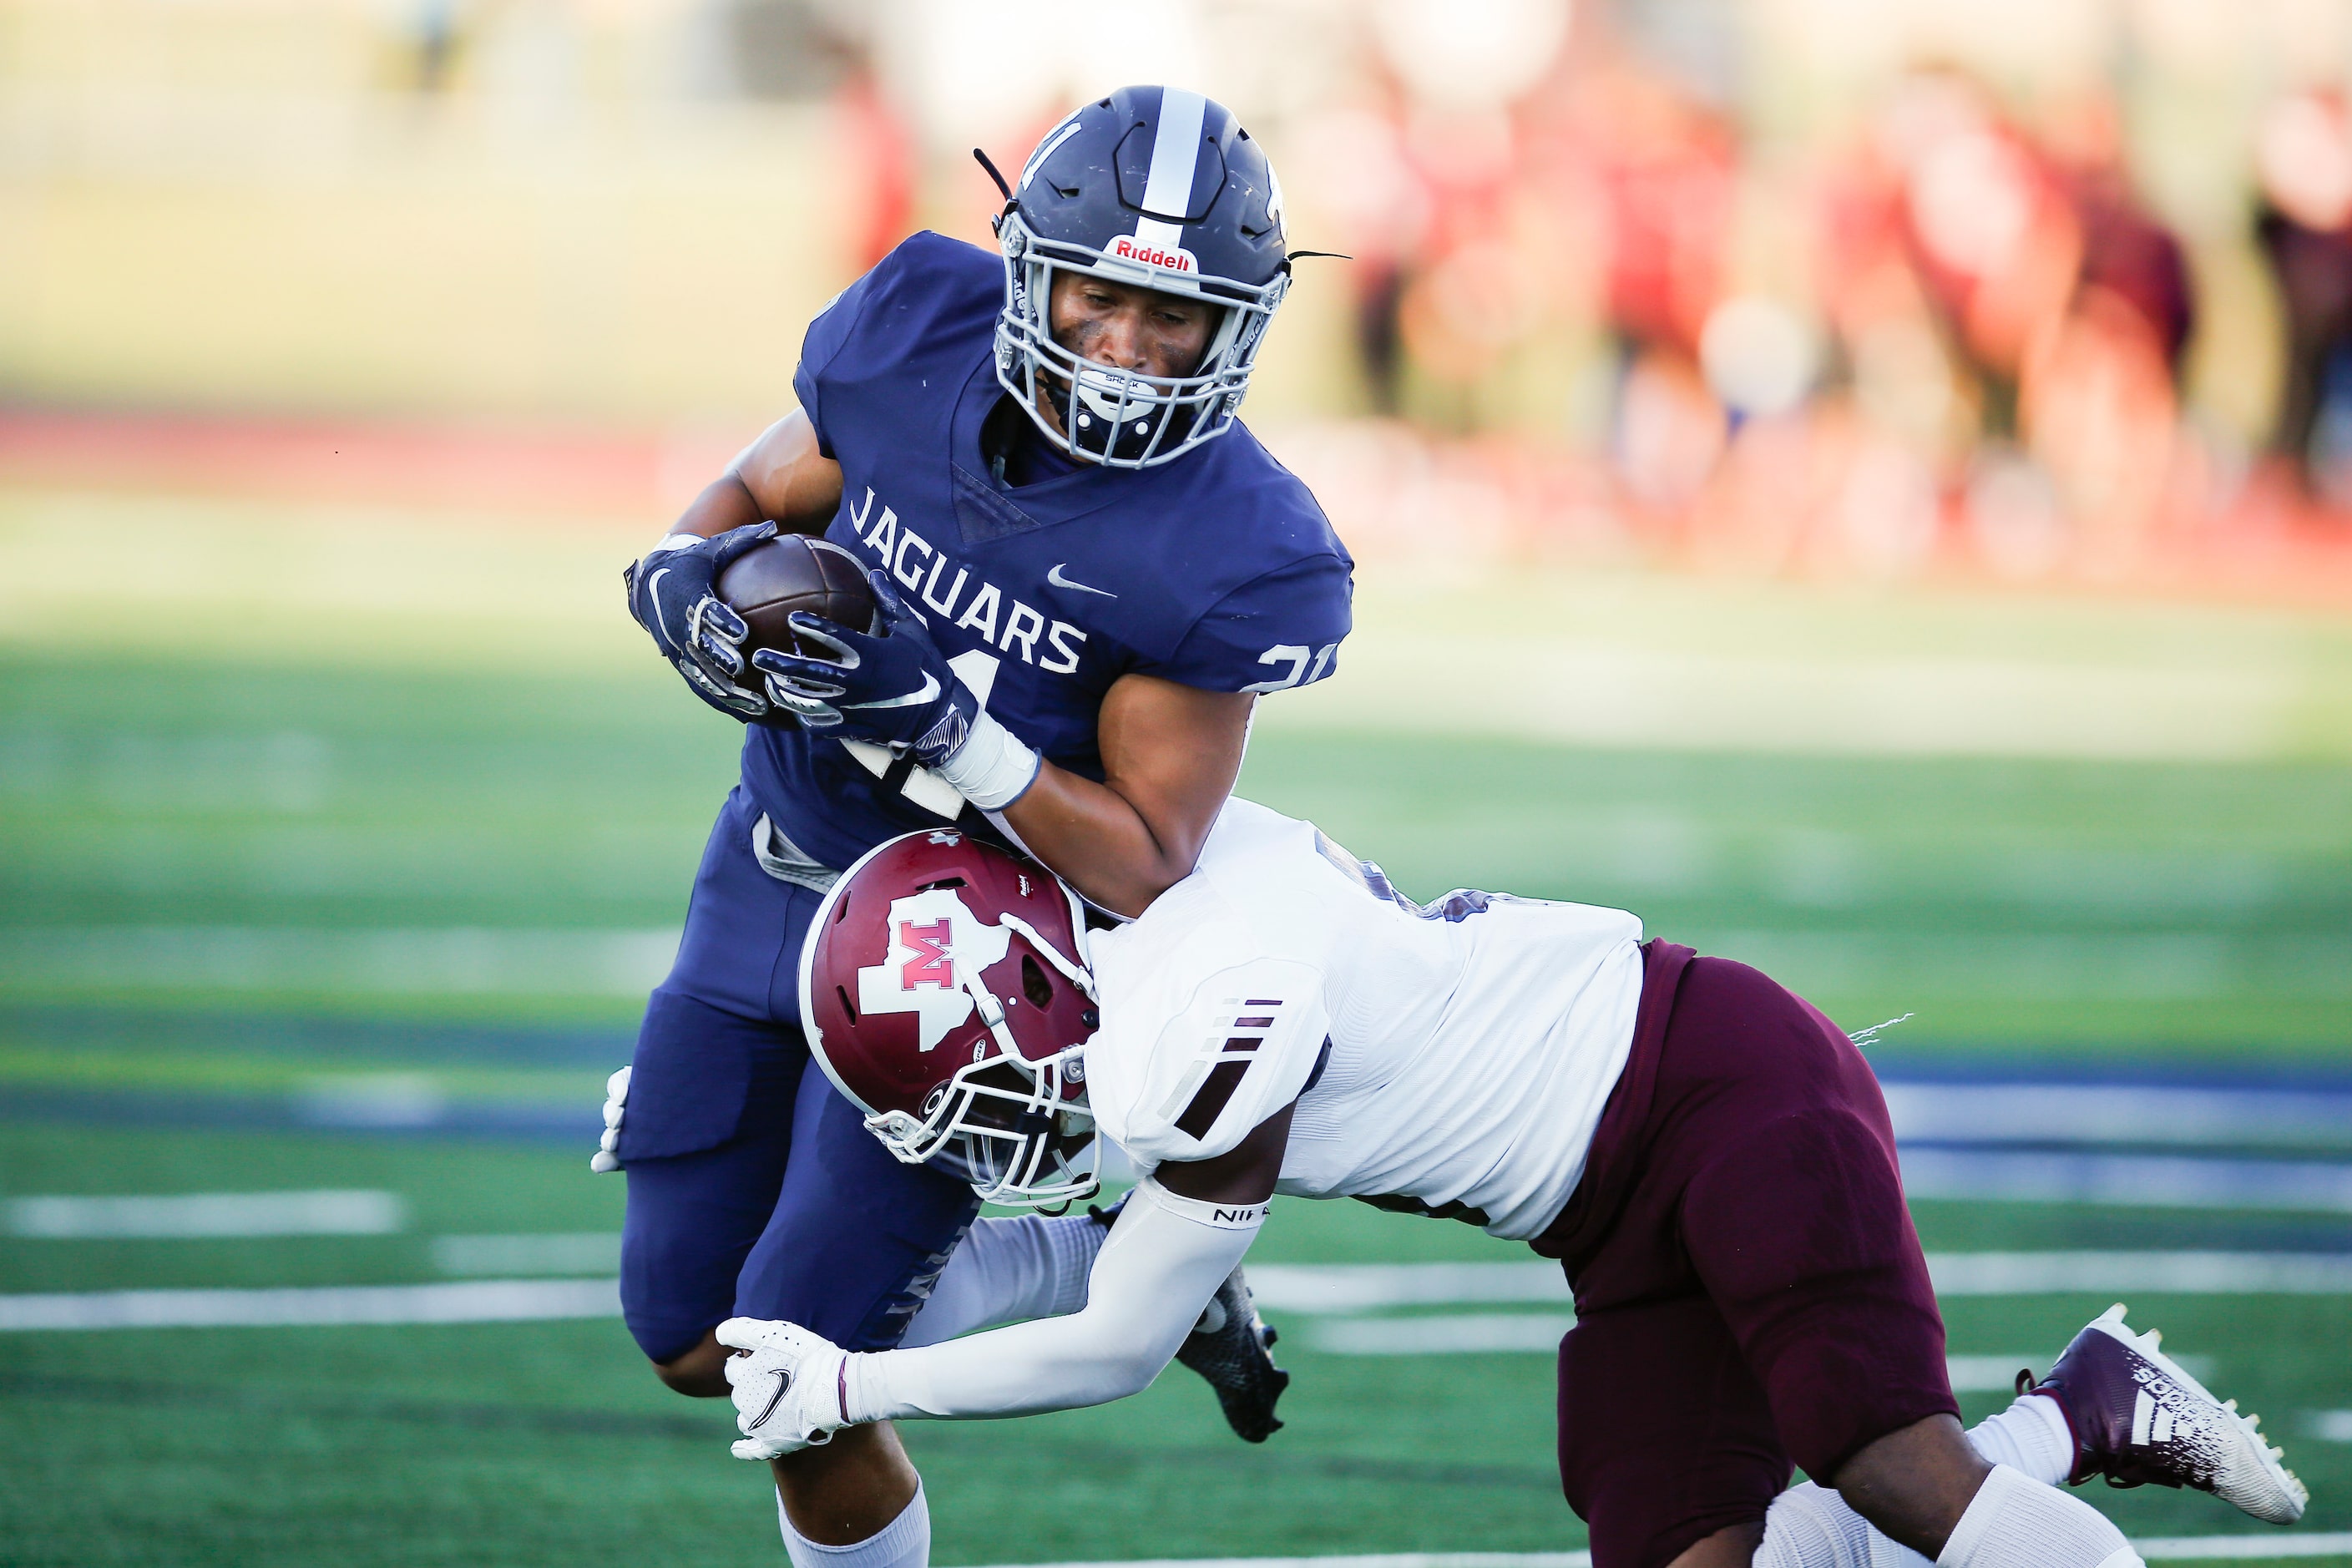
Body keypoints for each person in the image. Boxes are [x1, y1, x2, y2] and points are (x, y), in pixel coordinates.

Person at [717, 803, 2309, 1568]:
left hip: (1727, 1093)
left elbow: (1115, 1340)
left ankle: (2062, 1443)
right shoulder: (1138, 909)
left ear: (1044, 986)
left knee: (1886, 1464)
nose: (996, 1133)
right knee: (1692, 1548)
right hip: (1611, 1201)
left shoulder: (1203, 1026)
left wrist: (859, 1376)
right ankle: (2084, 1409)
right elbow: (1083, 1267)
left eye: (982, 1088)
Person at [599, 85, 1353, 1568]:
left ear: (1237, 329)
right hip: (769, 864)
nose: (1128, 353)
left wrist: (951, 728)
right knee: (687, 1334)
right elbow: (761, 487)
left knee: (794, 1372)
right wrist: (683, 571)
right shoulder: (914, 330)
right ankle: (1076, 1246)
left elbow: (1146, 852)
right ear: (1029, 272)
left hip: (966, 943)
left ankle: (1070, 1246)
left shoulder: (1228, 540)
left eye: (1175, 320)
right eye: (1098, 298)